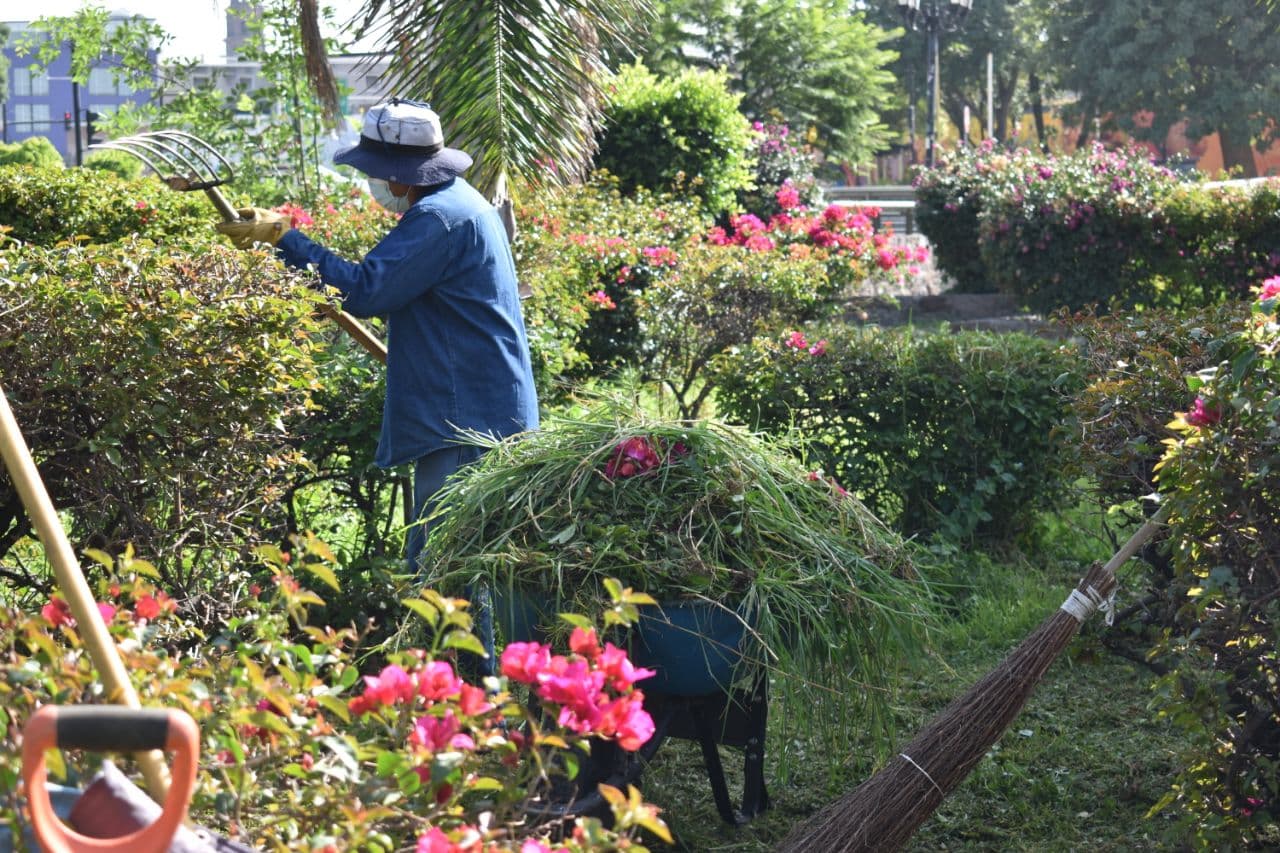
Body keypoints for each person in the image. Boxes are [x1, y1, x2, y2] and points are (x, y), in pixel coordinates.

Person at [216, 98, 539, 580]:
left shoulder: (437, 219)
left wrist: (285, 239)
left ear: (400, 172)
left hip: (467, 423)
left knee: (446, 571)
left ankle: (465, 661)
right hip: (483, 409)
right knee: (471, 566)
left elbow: (364, 290)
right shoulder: (461, 202)